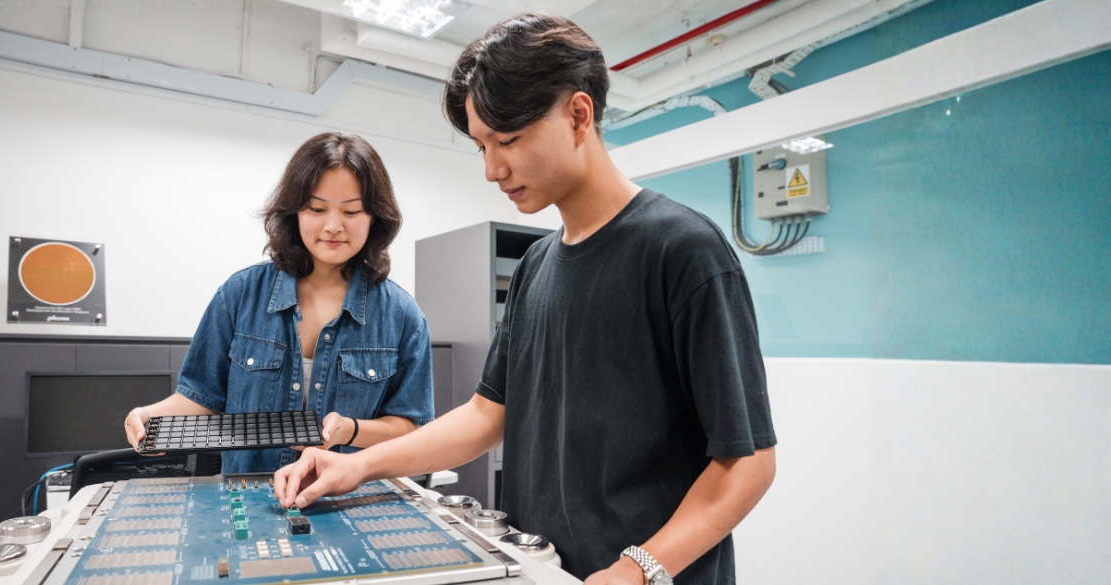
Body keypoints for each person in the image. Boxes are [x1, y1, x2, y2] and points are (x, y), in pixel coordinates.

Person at [275, 14, 776, 585]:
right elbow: (487, 416)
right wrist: (357, 466)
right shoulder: (536, 265)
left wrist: (637, 570)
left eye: (508, 141)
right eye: (482, 146)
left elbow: (747, 461)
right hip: (544, 569)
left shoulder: (682, 250)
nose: (493, 169)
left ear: (578, 116)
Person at [124, 132, 434, 473]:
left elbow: (412, 428)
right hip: (250, 496)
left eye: (351, 211)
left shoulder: (402, 316)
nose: (333, 226)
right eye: (317, 209)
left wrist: (350, 430)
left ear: (374, 216)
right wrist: (149, 416)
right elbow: (200, 397)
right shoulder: (239, 294)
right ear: (294, 211)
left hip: (351, 498)